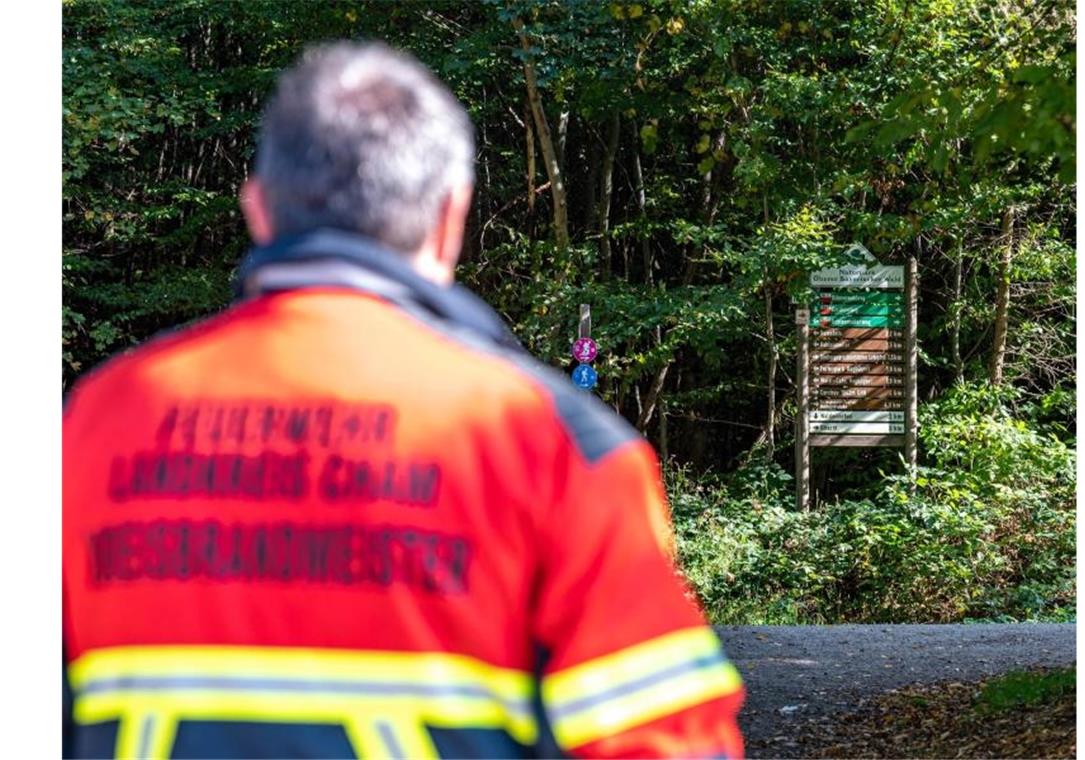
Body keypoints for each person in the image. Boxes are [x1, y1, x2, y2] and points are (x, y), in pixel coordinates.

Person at [63, 41, 744, 759]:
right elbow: (670, 743)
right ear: (451, 213)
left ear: (258, 208)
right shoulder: (552, 441)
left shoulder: (93, 423)